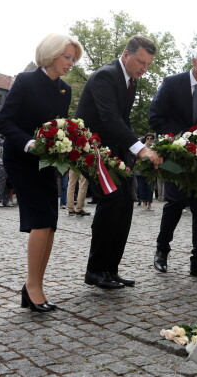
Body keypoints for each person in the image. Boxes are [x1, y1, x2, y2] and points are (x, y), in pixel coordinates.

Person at [0, 33, 83, 312]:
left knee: (51, 221)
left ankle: (36, 286)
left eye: (73, 58)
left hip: (48, 161)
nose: (70, 63)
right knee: (40, 219)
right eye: (66, 57)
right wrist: (28, 141)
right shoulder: (25, 80)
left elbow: (59, 126)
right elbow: (4, 121)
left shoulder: (65, 90)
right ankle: (32, 287)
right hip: (21, 158)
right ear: (51, 53)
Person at [75, 35, 162, 289]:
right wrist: (141, 149)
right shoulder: (106, 75)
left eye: (148, 65)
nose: (144, 69)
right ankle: (94, 270)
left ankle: (110, 269)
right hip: (90, 149)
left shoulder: (130, 81)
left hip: (111, 151)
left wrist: (133, 152)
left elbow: (123, 121)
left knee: (126, 202)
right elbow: (110, 118)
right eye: (141, 62)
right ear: (126, 55)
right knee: (111, 199)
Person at [149, 45, 197, 281]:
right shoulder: (172, 83)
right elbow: (155, 118)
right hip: (173, 156)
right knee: (175, 201)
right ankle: (162, 251)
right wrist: (178, 139)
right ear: (194, 62)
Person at [135, 133, 156, 211]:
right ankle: (143, 202)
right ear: (145, 139)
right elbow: (136, 157)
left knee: (150, 187)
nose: (149, 140)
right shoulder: (141, 147)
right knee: (141, 186)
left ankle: (149, 203)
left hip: (151, 170)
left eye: (151, 138)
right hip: (141, 170)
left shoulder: (155, 148)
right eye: (148, 138)